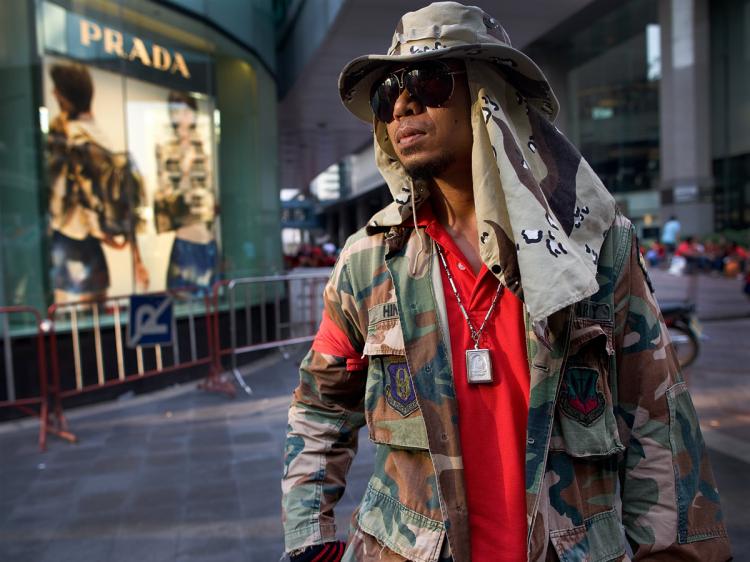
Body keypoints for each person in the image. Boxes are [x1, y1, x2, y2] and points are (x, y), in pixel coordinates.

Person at [281, 3, 731, 561]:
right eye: (386, 92)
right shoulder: (369, 261)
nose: (402, 102)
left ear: (488, 94)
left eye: (428, 79)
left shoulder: (593, 246)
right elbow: (321, 407)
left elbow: (656, 419)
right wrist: (309, 538)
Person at [47, 63, 148, 303]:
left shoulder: (69, 138)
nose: (53, 94)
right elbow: (121, 200)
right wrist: (134, 255)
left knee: (72, 329)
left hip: (71, 245)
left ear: (65, 95)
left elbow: (70, 199)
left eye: (57, 90)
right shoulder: (99, 136)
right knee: (94, 326)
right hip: (92, 250)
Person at [154, 91, 218, 292]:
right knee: (186, 298)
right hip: (185, 237)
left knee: (210, 299)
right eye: (177, 111)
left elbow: (210, 189)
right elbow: (165, 191)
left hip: (206, 236)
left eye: (187, 110)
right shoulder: (166, 149)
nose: (183, 116)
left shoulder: (204, 147)